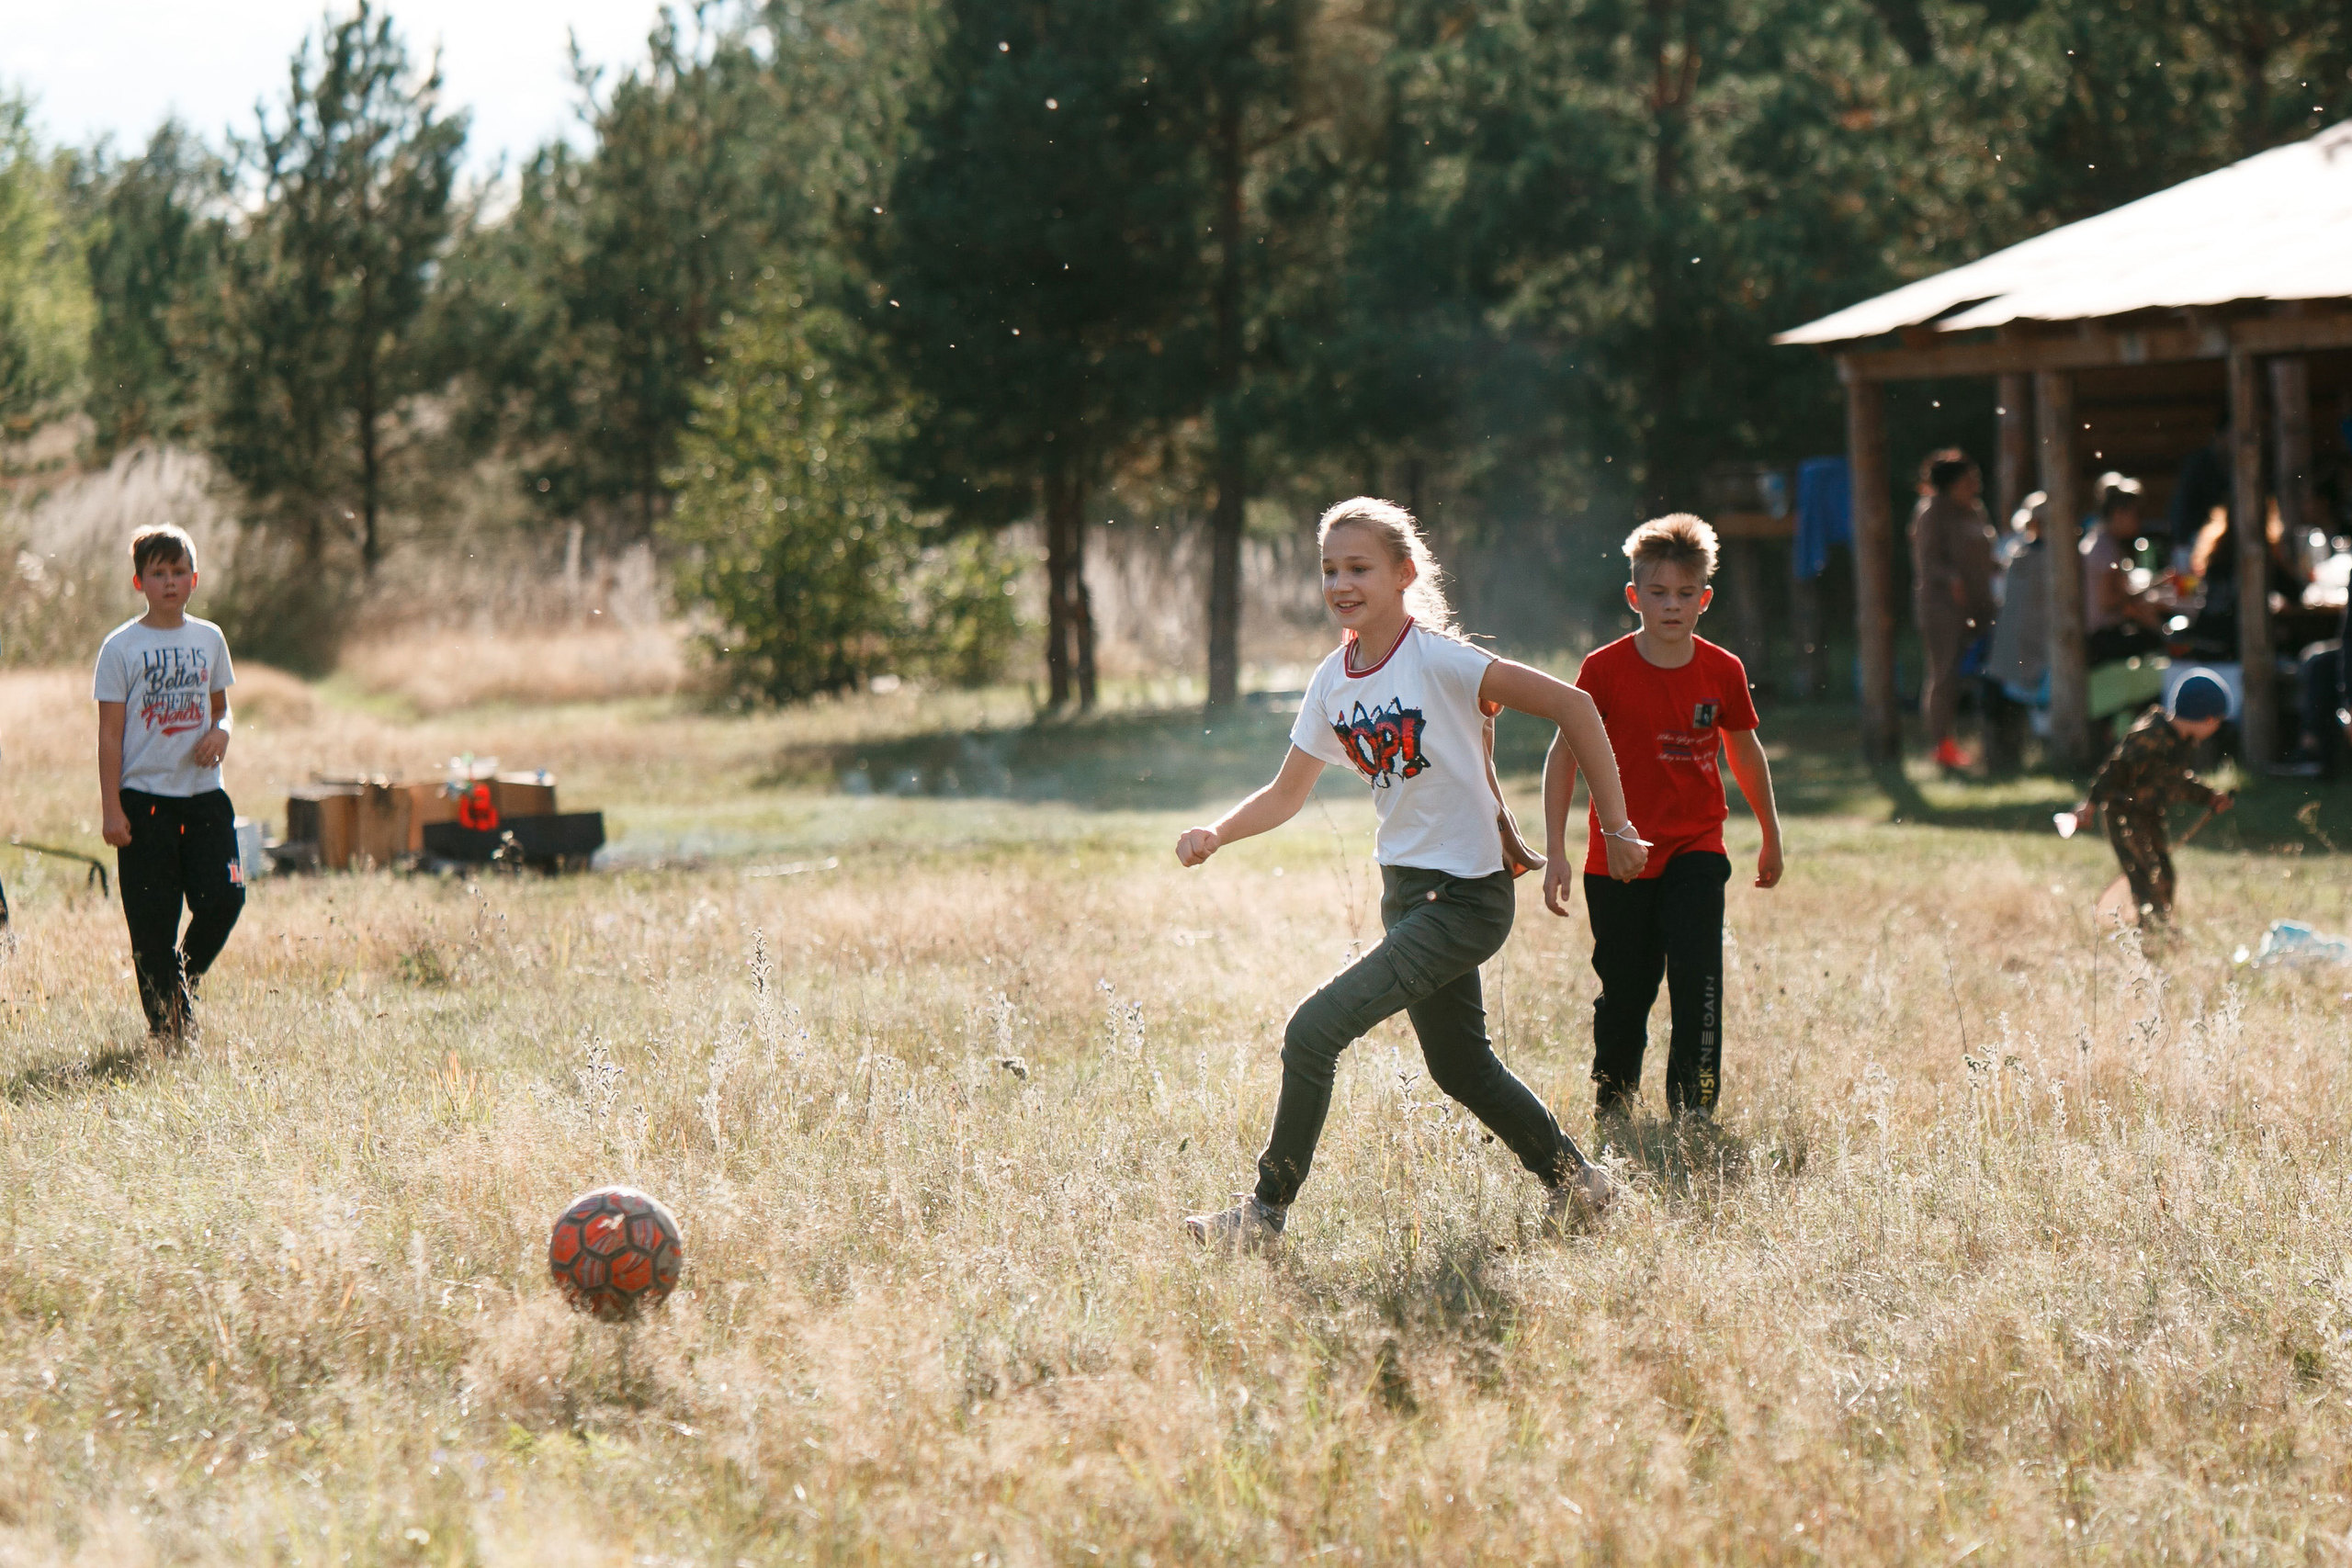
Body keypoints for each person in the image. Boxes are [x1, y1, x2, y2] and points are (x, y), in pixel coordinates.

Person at [1174, 497, 1645, 1251]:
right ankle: (1579, 1183)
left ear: (1404, 573)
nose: (1340, 582)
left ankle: (1263, 1215)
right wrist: (1218, 832)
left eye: (1358, 567)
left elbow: (1577, 707)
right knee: (1461, 1066)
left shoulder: (1444, 662)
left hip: (1466, 900)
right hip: (1407, 896)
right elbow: (1287, 792)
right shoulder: (1334, 679)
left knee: (1313, 1030)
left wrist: (1615, 827)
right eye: (1329, 568)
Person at [1543, 514, 1782, 1123]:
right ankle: (1614, 1098)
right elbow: (1563, 755)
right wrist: (1558, 849)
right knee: (1626, 991)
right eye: (1658, 593)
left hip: (1697, 846)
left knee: (1698, 974)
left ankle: (1694, 1106)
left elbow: (1745, 753)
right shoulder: (1604, 670)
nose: (1671, 606)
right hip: (1618, 856)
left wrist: (1771, 836)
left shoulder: (1722, 670)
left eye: (1684, 594)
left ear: (1704, 598)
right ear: (1634, 597)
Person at [94, 524, 244, 1041]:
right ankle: (171, 1030)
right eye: (158, 573)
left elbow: (222, 711)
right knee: (152, 924)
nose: (170, 582)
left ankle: (179, 983)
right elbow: (110, 736)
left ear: (194, 578)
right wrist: (112, 809)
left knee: (226, 899)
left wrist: (221, 735)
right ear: (139, 583)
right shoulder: (121, 648)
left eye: (179, 571)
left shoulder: (209, 639)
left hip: (204, 798)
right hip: (145, 802)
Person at [2070, 671, 2233, 924]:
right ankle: (2149, 936)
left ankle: (2161, 928)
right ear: (2208, 718)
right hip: (2124, 814)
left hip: (2149, 814)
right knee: (2146, 875)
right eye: (2218, 722)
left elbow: (2176, 780)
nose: (2216, 728)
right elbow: (2116, 769)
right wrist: (2090, 804)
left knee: (2164, 873)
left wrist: (2209, 797)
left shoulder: (2181, 741)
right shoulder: (2149, 735)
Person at [1908, 449, 1998, 770]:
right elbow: (1927, 562)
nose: (1975, 484)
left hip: (1981, 605)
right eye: (1967, 480)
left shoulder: (1974, 510)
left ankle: (1994, 743)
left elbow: (1989, 551)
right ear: (1950, 484)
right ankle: (1942, 745)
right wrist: (1952, 579)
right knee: (1945, 673)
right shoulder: (1930, 513)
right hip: (1942, 607)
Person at [2081, 477, 2167, 663]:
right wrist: (2149, 589)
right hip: (2102, 639)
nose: (2139, 521)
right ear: (2119, 513)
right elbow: (2108, 601)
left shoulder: (2099, 540)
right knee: (2159, 641)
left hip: (2097, 635)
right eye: (2136, 514)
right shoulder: (2106, 549)